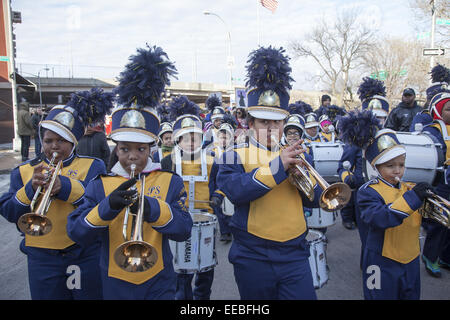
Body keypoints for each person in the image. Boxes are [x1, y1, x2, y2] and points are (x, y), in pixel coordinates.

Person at [67, 45, 192, 300]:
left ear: (151, 148)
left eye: (140, 149)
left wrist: (153, 208)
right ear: (116, 147)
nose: (132, 156)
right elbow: (77, 233)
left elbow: (183, 230)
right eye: (124, 149)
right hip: (114, 278)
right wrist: (107, 207)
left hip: (159, 278)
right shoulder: (99, 184)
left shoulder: (170, 181)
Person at [217, 46, 323, 300]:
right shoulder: (234, 155)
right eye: (264, 122)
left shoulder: (296, 153)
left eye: (277, 122)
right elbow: (236, 192)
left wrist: (306, 180)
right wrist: (278, 167)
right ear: (250, 123)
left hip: (295, 254)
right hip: (254, 255)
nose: (271, 128)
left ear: (284, 124)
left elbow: (317, 199)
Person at [0, 88, 112, 300]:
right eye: (49, 140)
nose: (54, 146)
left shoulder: (92, 166)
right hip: (42, 258)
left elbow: (99, 204)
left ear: (73, 143)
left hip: (83, 254)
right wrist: (30, 190)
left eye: (61, 141)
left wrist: (66, 187)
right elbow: (9, 212)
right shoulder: (24, 171)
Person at [344, 110, 429, 299]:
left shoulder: (409, 188)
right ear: (376, 167)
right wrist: (414, 199)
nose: (397, 170)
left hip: (411, 259)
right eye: (390, 166)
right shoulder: (368, 191)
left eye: (401, 164)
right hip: (381, 261)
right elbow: (381, 217)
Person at [160, 95, 222, 300]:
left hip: (206, 221)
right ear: (178, 140)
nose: (190, 141)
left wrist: (217, 197)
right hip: (179, 222)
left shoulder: (213, 160)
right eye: (185, 137)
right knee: (180, 273)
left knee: (205, 270)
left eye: (194, 136)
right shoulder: (168, 161)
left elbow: (221, 185)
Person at [420, 91, 450, 277]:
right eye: (448, 109)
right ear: (438, 111)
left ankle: (446, 256)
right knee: (439, 222)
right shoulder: (432, 130)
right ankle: (430, 257)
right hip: (441, 182)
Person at [75, 88, 113, 168]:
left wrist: (105, 172)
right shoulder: (77, 135)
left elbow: (106, 156)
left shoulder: (100, 135)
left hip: (97, 173)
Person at [17, 97, 34, 162]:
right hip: (26, 132)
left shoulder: (19, 112)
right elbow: (28, 122)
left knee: (23, 144)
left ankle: (23, 156)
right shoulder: (26, 113)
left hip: (20, 131)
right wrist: (32, 129)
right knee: (26, 145)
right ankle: (25, 157)